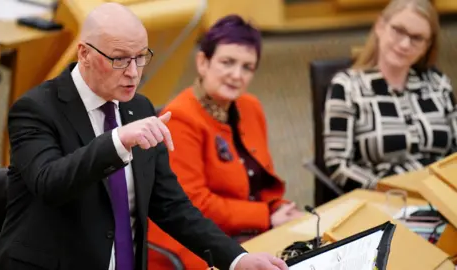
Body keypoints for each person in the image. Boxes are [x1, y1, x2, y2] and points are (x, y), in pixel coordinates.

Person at [0, 3, 289, 270]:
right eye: (120, 59)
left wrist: (236, 258)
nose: (134, 73)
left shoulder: (139, 107)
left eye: (141, 57)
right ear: (84, 54)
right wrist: (117, 141)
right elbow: (50, 182)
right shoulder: (36, 109)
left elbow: (171, 205)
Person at [147, 15, 303, 270]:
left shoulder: (251, 107)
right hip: (199, 244)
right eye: (227, 62)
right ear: (202, 62)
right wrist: (267, 216)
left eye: (247, 67)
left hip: (252, 232)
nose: (236, 75)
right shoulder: (180, 119)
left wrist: (281, 209)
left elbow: (260, 179)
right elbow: (194, 205)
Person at [323, 0, 456, 192]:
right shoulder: (347, 86)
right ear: (380, 27)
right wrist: (391, 190)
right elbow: (338, 166)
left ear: (427, 46)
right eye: (398, 31)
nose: (404, 44)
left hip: (442, 196)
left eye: (417, 38)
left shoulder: (437, 83)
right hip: (384, 201)